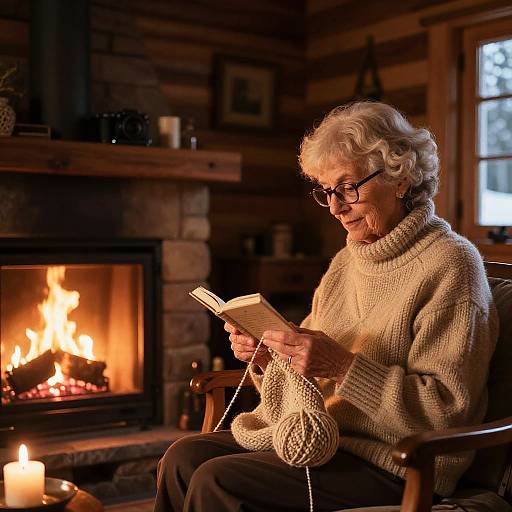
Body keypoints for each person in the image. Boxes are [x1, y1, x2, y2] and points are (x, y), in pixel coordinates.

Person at [153, 101, 498, 512]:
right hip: (321, 436)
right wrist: (269, 359)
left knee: (217, 480)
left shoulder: (451, 266)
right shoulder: (346, 262)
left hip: (398, 464)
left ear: (401, 178)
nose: (335, 207)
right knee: (182, 458)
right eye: (327, 191)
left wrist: (343, 367)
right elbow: (306, 374)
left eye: (348, 187)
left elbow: (446, 413)